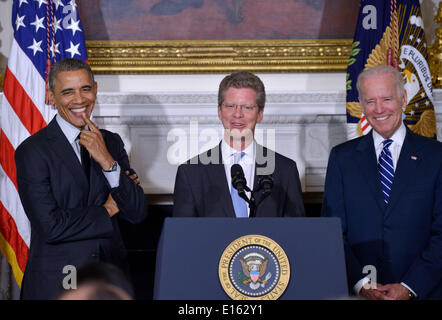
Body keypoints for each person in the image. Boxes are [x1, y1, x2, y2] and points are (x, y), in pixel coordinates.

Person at [15, 58, 147, 299]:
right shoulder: (32, 151)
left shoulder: (111, 142)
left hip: (110, 280)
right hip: (58, 282)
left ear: (95, 89)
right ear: (51, 97)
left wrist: (106, 159)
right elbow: (51, 227)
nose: (79, 99)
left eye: (85, 89)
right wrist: (107, 209)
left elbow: (136, 212)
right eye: (67, 92)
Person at [322, 65, 442, 300]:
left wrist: (409, 286)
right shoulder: (341, 158)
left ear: (403, 98)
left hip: (424, 292)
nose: (379, 109)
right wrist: (362, 284)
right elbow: (333, 232)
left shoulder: (437, 157)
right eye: (370, 101)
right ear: (361, 104)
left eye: (387, 99)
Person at [173, 71, 305, 218]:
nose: (238, 114)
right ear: (219, 111)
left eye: (247, 107)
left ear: (260, 114)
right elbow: (183, 237)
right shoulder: (191, 174)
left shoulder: (285, 171)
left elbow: (296, 234)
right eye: (230, 106)